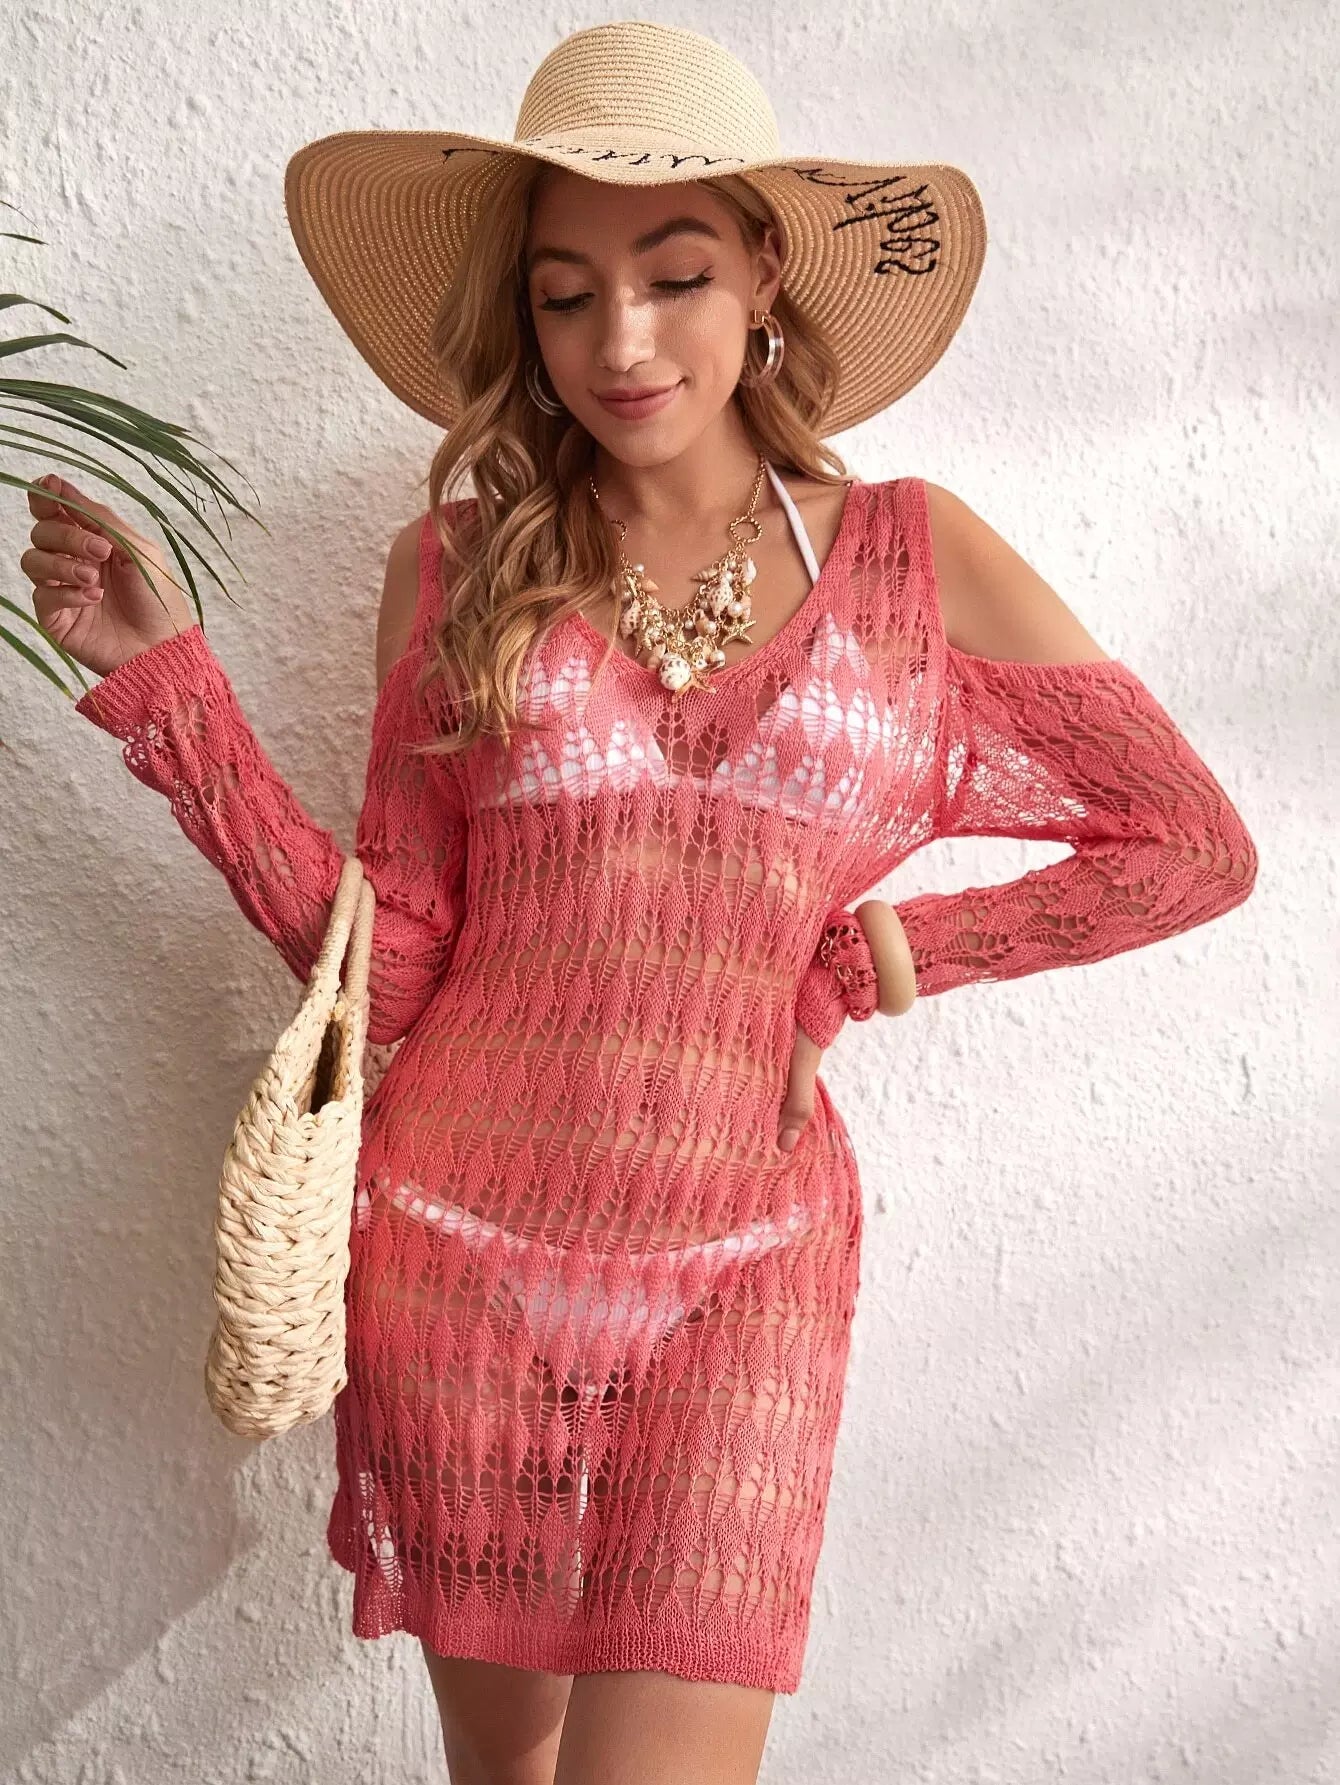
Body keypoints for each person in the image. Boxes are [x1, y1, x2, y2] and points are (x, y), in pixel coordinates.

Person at [20, 20, 1258, 1785]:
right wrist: (173, 697)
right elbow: (389, 965)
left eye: (675, 277)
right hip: (457, 1254)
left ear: (764, 277)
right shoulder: (456, 568)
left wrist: (889, 950)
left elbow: (1189, 844)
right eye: (565, 294)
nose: (620, 341)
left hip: (746, 1276)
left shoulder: (913, 555)